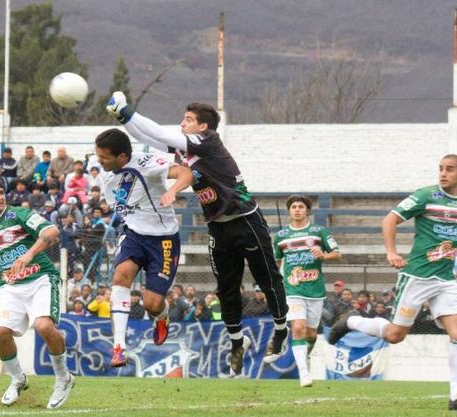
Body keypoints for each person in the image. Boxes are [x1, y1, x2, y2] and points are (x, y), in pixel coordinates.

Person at [106, 92, 289, 376]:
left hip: (245, 220)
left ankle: (280, 330)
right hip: (218, 226)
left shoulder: (209, 142)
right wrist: (123, 119)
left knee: (267, 279)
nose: (182, 124)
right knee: (226, 289)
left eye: (188, 120)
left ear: (203, 127)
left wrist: (128, 111)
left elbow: (156, 130)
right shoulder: (185, 152)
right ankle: (237, 343)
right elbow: (150, 136)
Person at [328, 154, 457, 411]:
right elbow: (390, 218)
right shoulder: (426, 196)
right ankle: (351, 321)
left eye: (449, 170)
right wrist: (391, 252)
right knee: (395, 335)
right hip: (417, 276)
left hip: (446, 279)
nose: (443, 174)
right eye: (440, 169)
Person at [0, 178, 74, 409]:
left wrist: (29, 254)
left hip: (41, 278)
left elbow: (51, 230)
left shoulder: (17, 214)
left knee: (43, 327)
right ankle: (17, 378)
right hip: (10, 286)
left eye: (1, 192)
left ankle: (63, 378)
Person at [94, 128, 193, 368]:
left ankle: (162, 316)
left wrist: (172, 190)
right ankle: (118, 347)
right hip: (133, 235)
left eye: (104, 157)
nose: (99, 161)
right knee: (120, 278)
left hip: (163, 240)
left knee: (152, 304)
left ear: (123, 157)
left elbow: (185, 173)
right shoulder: (104, 174)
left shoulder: (146, 163)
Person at [273, 195, 341, 387]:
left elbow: (337, 253)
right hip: (292, 289)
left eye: (300, 206)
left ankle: (306, 356)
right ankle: (304, 374)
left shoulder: (319, 231)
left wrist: (324, 255)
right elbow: (276, 261)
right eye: (293, 207)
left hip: (315, 290)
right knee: (298, 328)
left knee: (310, 334)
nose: (296, 209)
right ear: (289, 211)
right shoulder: (281, 235)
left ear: (307, 210)